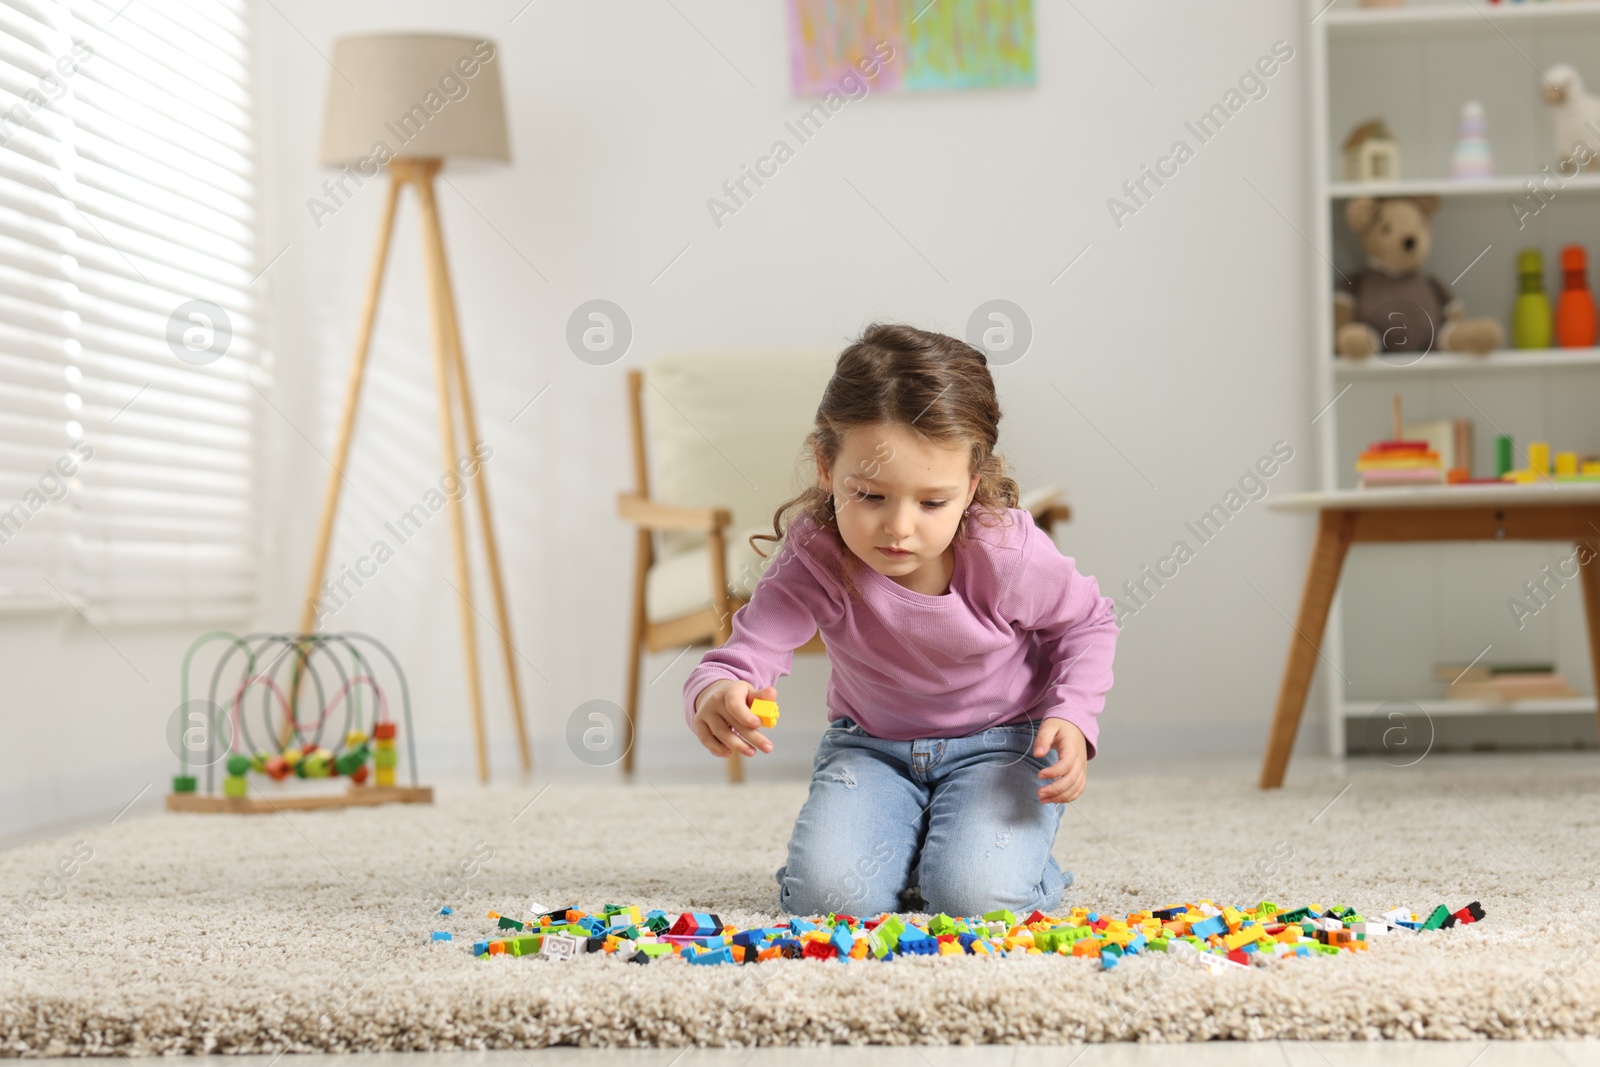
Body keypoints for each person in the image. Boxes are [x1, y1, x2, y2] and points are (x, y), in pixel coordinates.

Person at [682, 322, 1119, 918]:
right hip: (871, 749)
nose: (899, 527)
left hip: (1004, 746)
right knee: (828, 902)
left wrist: (1072, 712)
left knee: (975, 899)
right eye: (869, 495)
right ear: (826, 467)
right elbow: (752, 646)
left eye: (932, 502)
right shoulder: (818, 552)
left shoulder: (1006, 552)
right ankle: (909, 851)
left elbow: (1088, 623)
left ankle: (993, 863)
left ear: (971, 484)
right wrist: (720, 688)